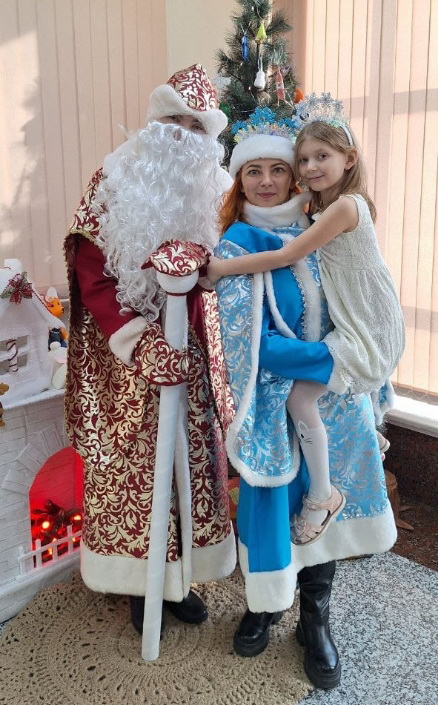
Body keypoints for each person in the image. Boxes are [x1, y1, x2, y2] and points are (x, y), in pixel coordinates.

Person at [211, 107, 397, 690]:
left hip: (338, 395)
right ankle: (265, 605)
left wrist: (353, 368)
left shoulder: (321, 223)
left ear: (296, 174)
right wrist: (328, 362)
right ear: (238, 181)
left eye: (277, 169)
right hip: (277, 401)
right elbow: (247, 343)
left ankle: (314, 619)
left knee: (324, 517)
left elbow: (360, 299)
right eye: (253, 171)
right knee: (273, 511)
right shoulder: (237, 243)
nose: (267, 181)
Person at [64, 64, 236, 636]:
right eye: (175, 121)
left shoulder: (217, 192)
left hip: (192, 358)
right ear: (154, 121)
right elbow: (91, 269)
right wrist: (137, 343)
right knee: (136, 473)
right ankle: (142, 587)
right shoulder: (114, 179)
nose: (184, 134)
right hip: (130, 363)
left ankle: (182, 578)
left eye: (197, 126)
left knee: (192, 468)